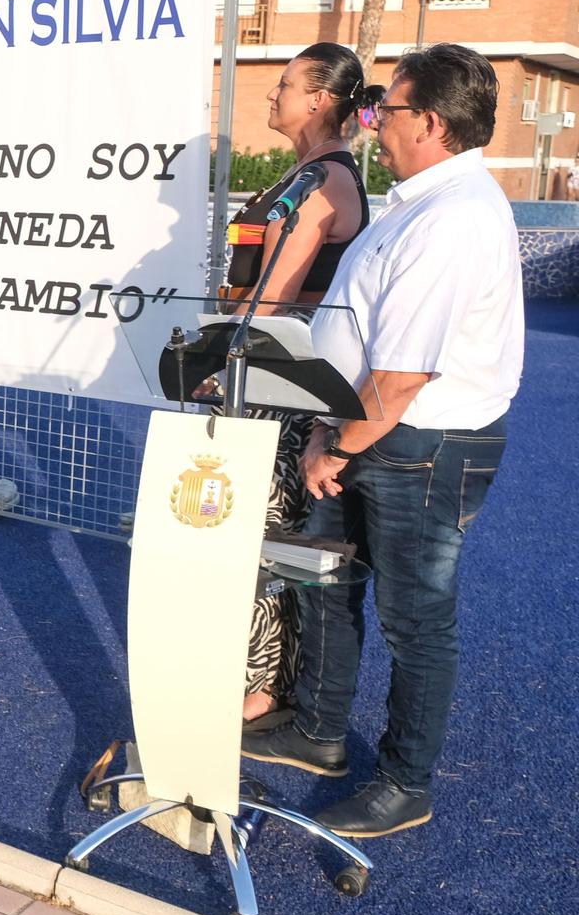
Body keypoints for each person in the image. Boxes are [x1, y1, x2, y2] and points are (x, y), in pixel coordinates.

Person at [243, 44, 524, 838]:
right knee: (326, 584)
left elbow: (403, 376)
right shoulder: (418, 201)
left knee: (415, 620)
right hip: (366, 431)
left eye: (386, 110)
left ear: (430, 122)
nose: (374, 122)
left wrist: (335, 444)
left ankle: (405, 783)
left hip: (419, 447)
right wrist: (331, 432)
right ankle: (320, 732)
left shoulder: (453, 216)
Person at [222, 43, 374, 726]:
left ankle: (269, 681)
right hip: (262, 371)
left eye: (284, 85)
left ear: (319, 99)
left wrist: (226, 359)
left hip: (281, 378)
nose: (271, 95)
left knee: (266, 525)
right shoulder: (301, 173)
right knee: (245, 521)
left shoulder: (327, 181)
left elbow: (274, 300)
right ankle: (256, 665)